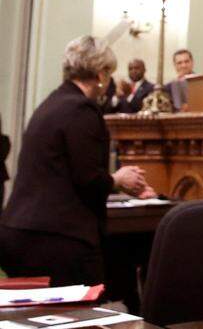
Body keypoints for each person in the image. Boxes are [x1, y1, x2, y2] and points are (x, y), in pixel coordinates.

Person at [0, 36, 152, 285]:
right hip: (56, 238)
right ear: (101, 74)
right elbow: (88, 178)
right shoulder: (82, 110)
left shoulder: (51, 103)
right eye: (108, 73)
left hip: (20, 230)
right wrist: (118, 179)